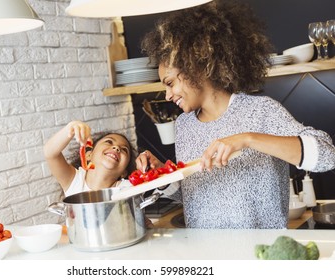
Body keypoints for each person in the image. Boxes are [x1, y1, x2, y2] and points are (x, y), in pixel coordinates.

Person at [136, 0, 335, 229]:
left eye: (170, 83)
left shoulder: (260, 111)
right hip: (206, 254)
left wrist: (246, 139)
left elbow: (327, 156)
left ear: (196, 68)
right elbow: (196, 197)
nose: (168, 95)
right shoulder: (184, 125)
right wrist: (163, 173)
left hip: (259, 254)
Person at [43, 120, 136, 197]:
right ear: (88, 155)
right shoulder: (75, 181)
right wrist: (70, 127)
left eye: (124, 150)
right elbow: (50, 154)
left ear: (124, 172)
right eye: (109, 142)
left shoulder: (128, 188)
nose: (116, 148)